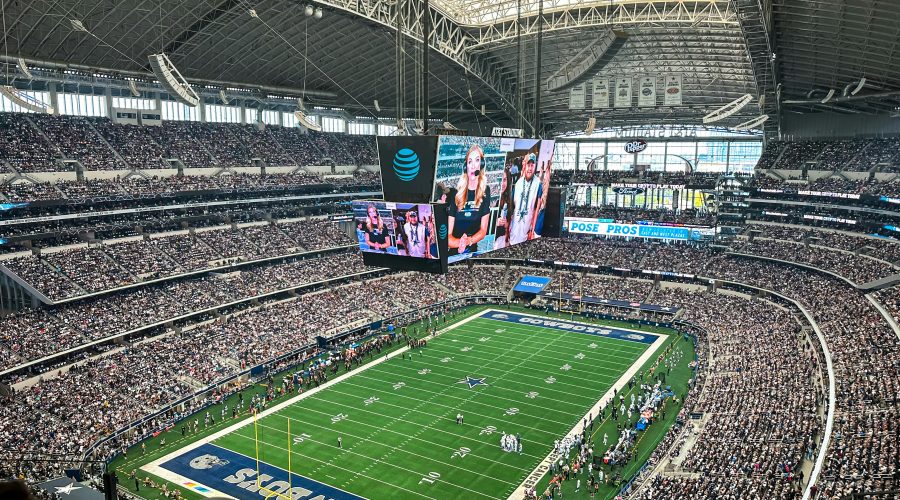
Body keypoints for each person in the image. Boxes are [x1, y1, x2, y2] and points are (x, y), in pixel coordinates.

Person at [447, 144, 491, 256]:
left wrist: (468, 241)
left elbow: (483, 230)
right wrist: (460, 243)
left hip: (472, 249)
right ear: (465, 166)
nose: (472, 165)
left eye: (477, 160)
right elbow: (448, 236)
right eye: (469, 161)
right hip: (454, 250)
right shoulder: (455, 193)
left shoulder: (486, 191)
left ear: (481, 164)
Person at [507, 154, 542, 245]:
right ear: (524, 165)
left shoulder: (538, 184)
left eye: (532, 165)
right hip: (514, 228)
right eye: (528, 165)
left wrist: (532, 230)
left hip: (526, 230)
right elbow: (513, 207)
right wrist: (508, 228)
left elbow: (536, 209)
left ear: (535, 166)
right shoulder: (518, 183)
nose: (530, 168)